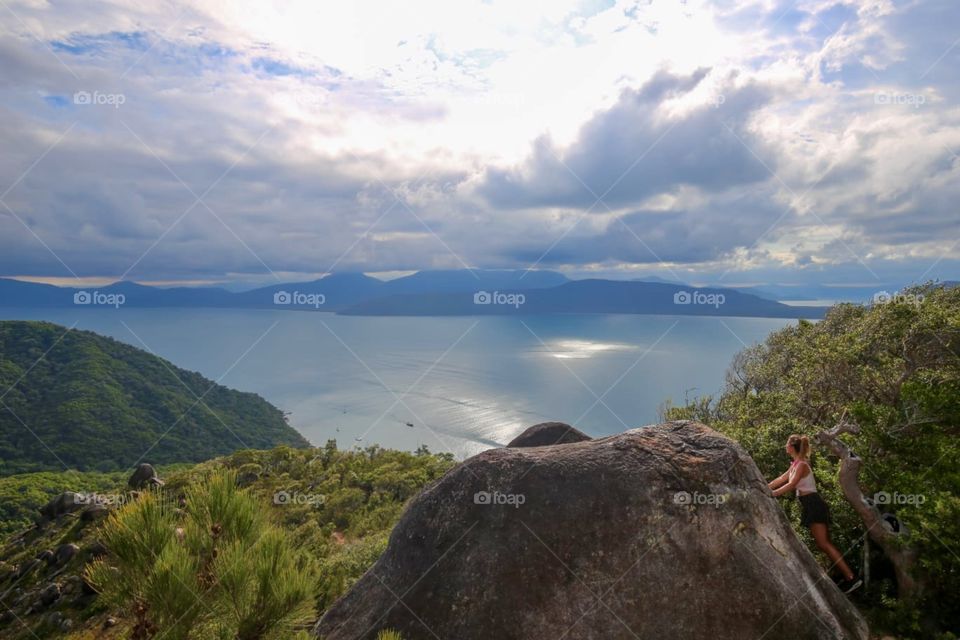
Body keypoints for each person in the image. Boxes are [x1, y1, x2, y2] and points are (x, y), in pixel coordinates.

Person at [768, 434, 862, 594]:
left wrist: (772, 494)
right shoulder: (796, 464)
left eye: (787, 444)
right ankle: (846, 575)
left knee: (824, 543)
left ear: (792, 447)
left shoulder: (802, 465)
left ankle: (852, 578)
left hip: (814, 504)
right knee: (823, 544)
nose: (785, 447)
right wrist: (765, 486)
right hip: (810, 505)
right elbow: (782, 478)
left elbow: (791, 484)